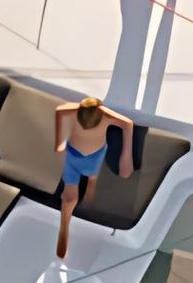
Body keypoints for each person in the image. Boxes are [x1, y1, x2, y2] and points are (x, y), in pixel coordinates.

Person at [54, 96, 135, 258]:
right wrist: (59, 142)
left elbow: (127, 124)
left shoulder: (105, 115)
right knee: (70, 195)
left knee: (92, 177)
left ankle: (91, 187)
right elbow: (60, 111)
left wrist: (126, 154)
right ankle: (64, 225)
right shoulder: (75, 111)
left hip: (93, 156)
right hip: (74, 155)